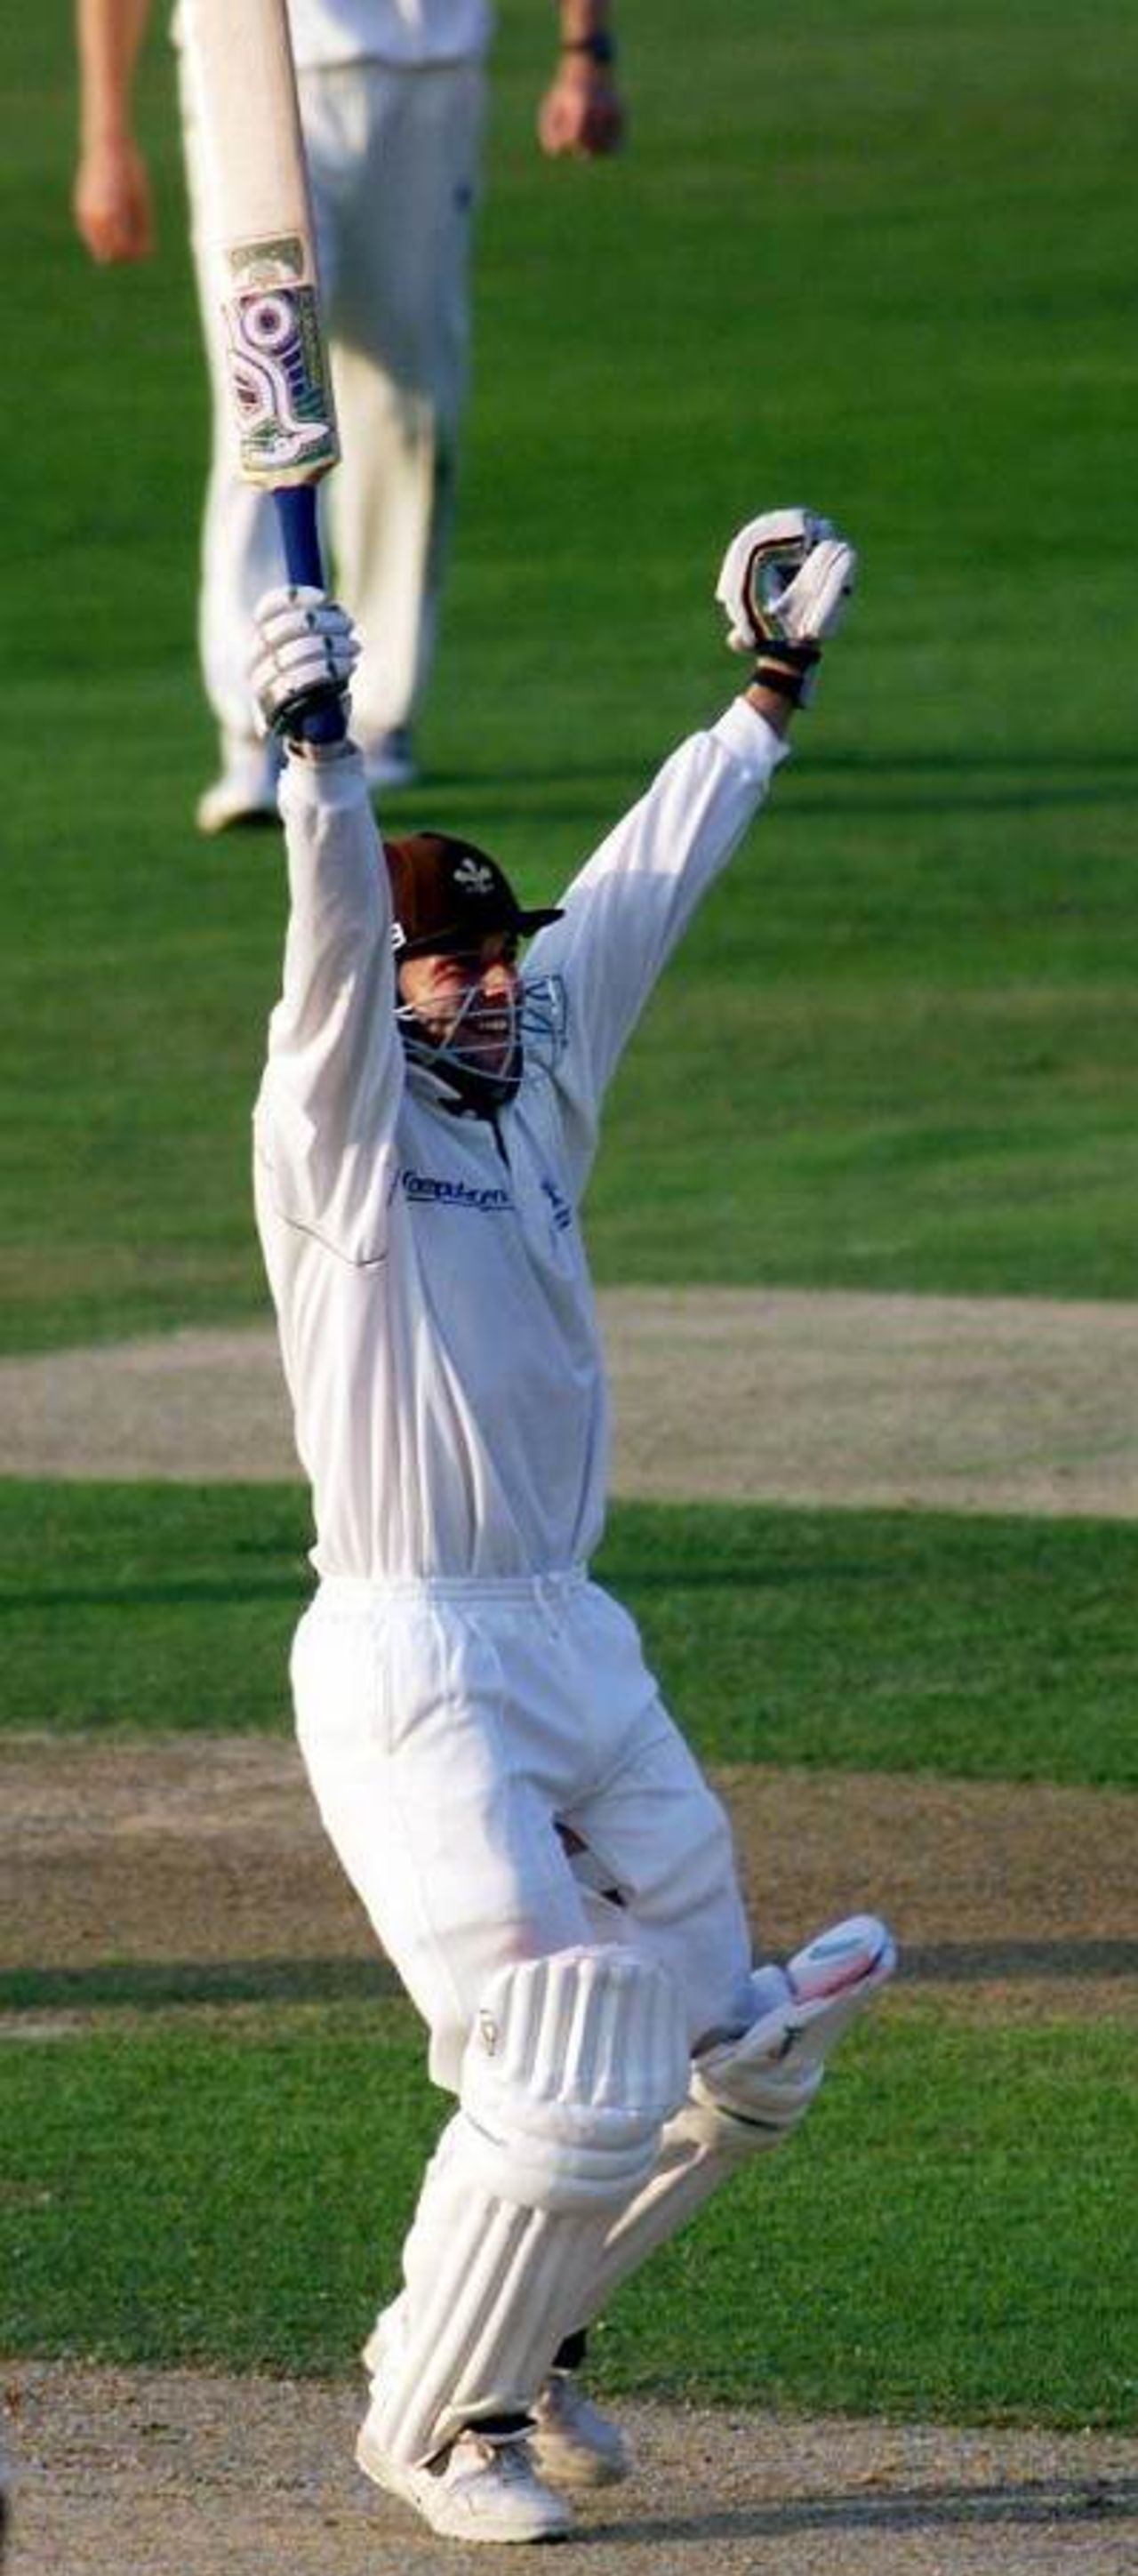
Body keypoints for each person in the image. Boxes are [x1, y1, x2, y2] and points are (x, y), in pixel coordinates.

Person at [247, 505, 896, 2546]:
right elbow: (335, 953)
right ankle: (427, 2423)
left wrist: (762, 694)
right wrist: (320, 761)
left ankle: (525, 2359)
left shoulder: (538, 1094)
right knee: (560, 2057)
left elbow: (642, 884)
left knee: (733, 2049)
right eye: (457, 960)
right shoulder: (331, 1129)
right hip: (410, 1651)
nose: (492, 989)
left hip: (570, 1636)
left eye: (497, 958)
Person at [73, 0, 626, 833]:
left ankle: (377, 706)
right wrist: (107, 135)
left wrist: (586, 49)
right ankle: (258, 718)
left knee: (410, 406)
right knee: (264, 388)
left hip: (425, 68)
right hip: (249, 68)